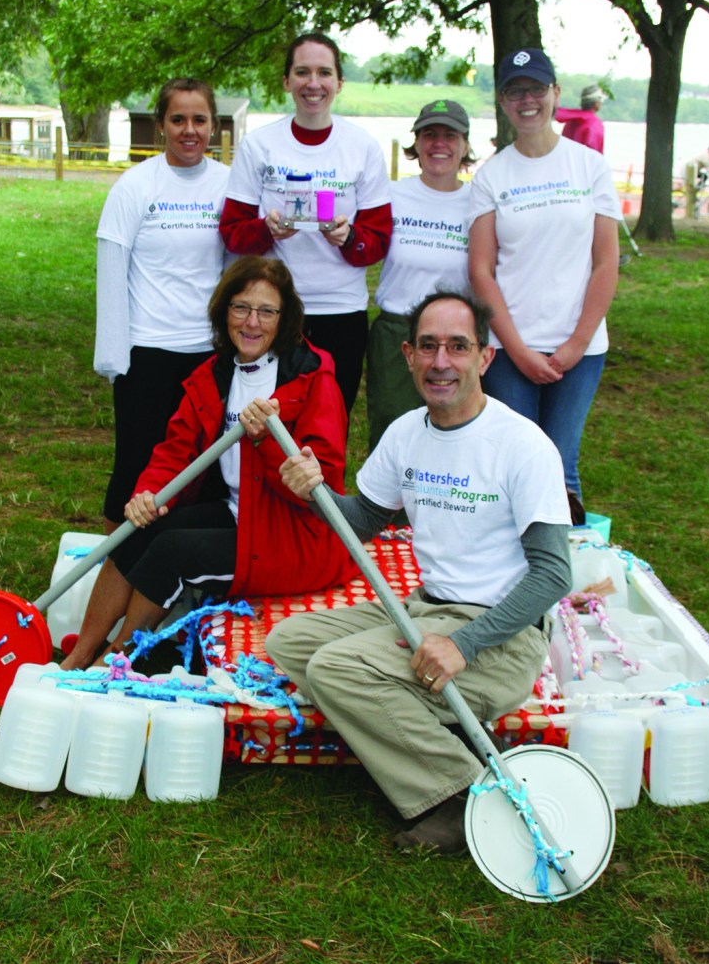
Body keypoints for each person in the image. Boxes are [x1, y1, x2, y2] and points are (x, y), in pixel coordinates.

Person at [266, 291, 572, 853]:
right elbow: (361, 521)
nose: (440, 362)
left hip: (500, 638)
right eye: (428, 346)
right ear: (407, 354)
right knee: (290, 641)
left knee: (337, 670)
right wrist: (316, 492)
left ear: (484, 358)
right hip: (426, 609)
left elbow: (553, 576)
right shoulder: (407, 432)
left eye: (458, 347)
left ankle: (461, 798)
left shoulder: (521, 445)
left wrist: (465, 645)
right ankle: (411, 732)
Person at [61, 256, 356, 671]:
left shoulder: (312, 378)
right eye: (241, 307)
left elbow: (317, 482)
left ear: (284, 318)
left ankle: (111, 663)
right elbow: (175, 450)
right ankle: (77, 656)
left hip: (293, 534)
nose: (252, 322)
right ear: (224, 311)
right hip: (239, 514)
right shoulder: (214, 374)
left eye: (266, 311)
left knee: (173, 553)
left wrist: (265, 441)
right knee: (137, 532)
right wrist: (148, 493)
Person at [469, 48, 621, 506]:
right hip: (512, 348)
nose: (527, 99)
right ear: (502, 101)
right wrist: (515, 348)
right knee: (516, 460)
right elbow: (481, 269)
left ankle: (562, 571)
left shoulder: (589, 166)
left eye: (536, 88)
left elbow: (605, 262)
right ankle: (508, 567)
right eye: (515, 91)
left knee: (561, 461)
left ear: (555, 93)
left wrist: (576, 343)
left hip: (582, 349)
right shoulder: (491, 175)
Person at [219, 33, 393, 414]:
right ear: (286, 81)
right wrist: (267, 230)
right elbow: (232, 232)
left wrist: (348, 237)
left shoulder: (362, 147)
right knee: (264, 419)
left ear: (339, 83)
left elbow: (378, 241)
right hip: (272, 308)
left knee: (330, 418)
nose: (313, 84)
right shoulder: (260, 145)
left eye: (324, 73)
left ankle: (323, 478)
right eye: (302, 72)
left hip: (340, 312)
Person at [95, 78, 230, 533]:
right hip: (147, 352)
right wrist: (115, 357)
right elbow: (111, 269)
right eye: (178, 119)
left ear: (214, 125)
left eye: (199, 119)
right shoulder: (135, 186)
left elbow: (240, 265)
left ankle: (178, 567)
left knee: (203, 469)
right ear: (160, 125)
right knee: (137, 463)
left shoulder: (229, 185)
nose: (189, 130)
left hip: (211, 353)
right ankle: (111, 564)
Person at [366, 99, 475, 451]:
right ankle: (387, 507)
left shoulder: (479, 202)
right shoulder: (392, 194)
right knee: (392, 428)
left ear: (465, 145)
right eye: (429, 134)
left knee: (454, 430)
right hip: (399, 329)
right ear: (417, 143)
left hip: (457, 335)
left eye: (449, 135)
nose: (439, 144)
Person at [555, 84, 606, 154]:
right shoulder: (594, 123)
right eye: (601, 100)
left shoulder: (571, 121)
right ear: (596, 102)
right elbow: (594, 156)